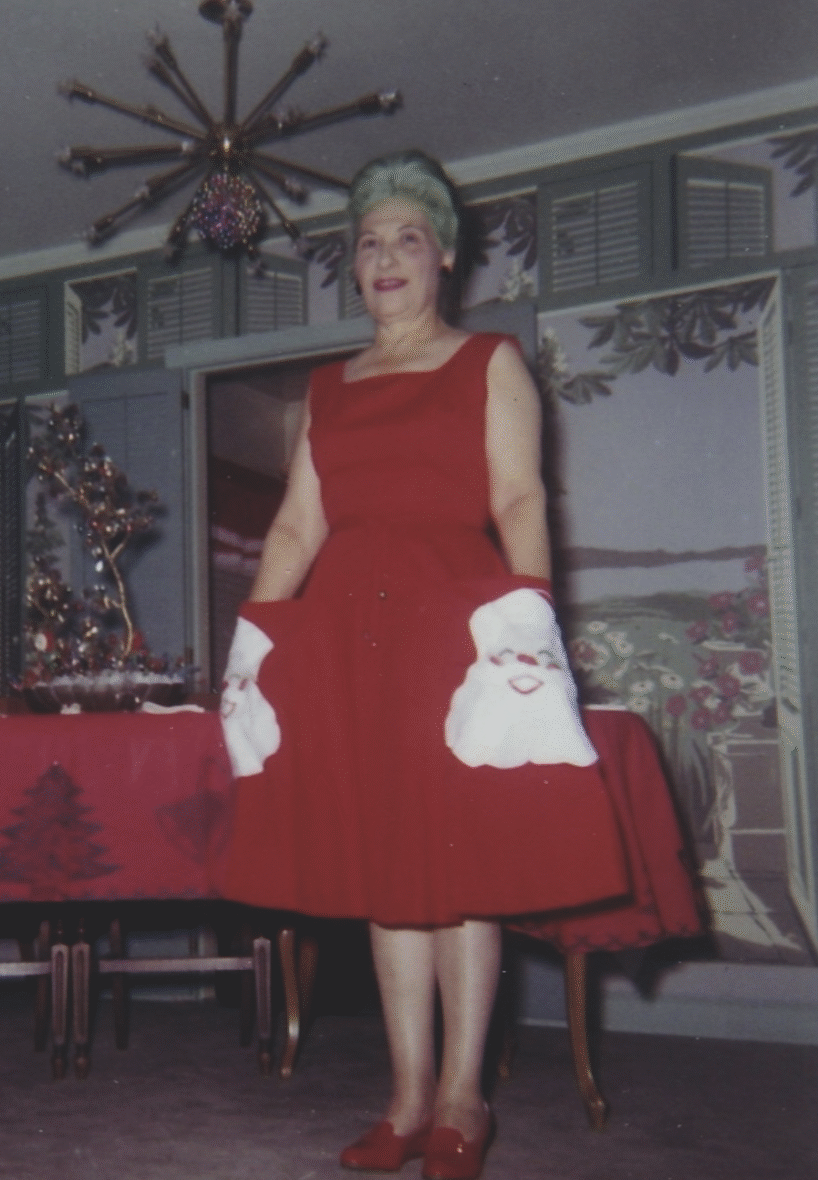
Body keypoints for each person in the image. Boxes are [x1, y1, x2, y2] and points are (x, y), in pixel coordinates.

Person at [219, 151, 630, 1178]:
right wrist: (251, 646)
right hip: (350, 644)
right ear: (353, 271)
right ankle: (403, 1099)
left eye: (408, 236)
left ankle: (461, 1097)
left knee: (458, 871)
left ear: (444, 254)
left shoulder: (489, 361)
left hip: (455, 636)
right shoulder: (328, 389)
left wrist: (526, 627)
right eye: (367, 241)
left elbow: (522, 498)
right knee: (387, 876)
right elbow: (295, 525)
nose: (386, 255)